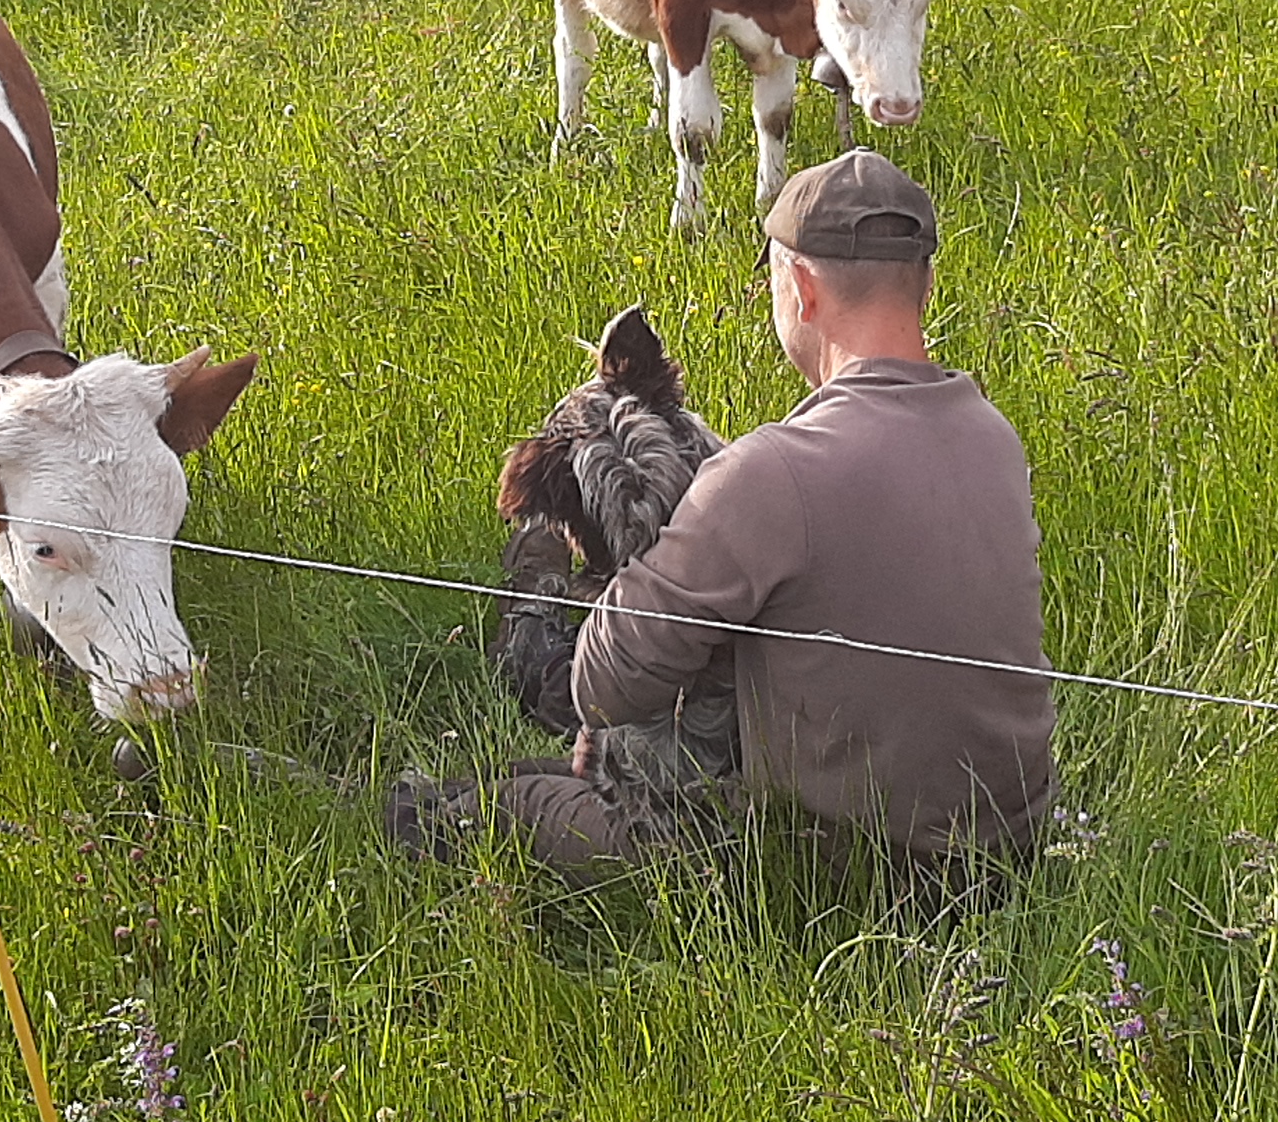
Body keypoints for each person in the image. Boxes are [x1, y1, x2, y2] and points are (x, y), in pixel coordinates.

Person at [419, 149, 1055, 886]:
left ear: (803, 289)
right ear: (928, 284)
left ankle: (374, 814)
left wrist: (654, 549)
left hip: (833, 878)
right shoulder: (993, 436)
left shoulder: (773, 472)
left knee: (511, 804)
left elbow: (601, 684)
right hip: (1006, 855)